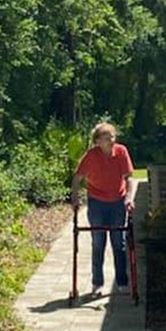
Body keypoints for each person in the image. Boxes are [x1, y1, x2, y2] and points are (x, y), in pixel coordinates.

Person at [71, 121, 136, 295]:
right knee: (98, 242)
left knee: (119, 243)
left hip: (117, 201)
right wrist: (75, 198)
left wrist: (129, 198)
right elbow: (77, 177)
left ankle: (122, 282)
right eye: (107, 138)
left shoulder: (121, 151)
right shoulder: (91, 156)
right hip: (97, 202)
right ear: (97, 141)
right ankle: (97, 283)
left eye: (112, 137)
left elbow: (129, 178)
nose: (111, 141)